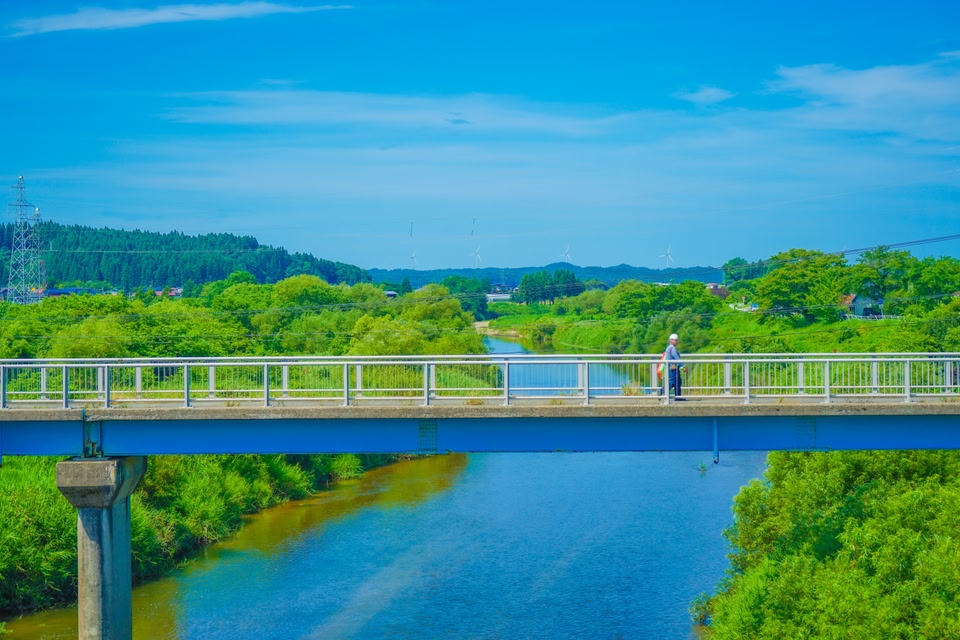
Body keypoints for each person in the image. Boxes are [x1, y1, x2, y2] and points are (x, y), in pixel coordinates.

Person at [664, 333, 684, 398]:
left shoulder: (670, 348)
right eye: (676, 340)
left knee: (677, 382)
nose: (677, 342)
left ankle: (678, 396)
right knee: (674, 382)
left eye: (677, 340)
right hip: (673, 367)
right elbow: (677, 358)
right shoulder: (672, 348)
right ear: (671, 340)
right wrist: (683, 366)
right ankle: (662, 391)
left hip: (673, 367)